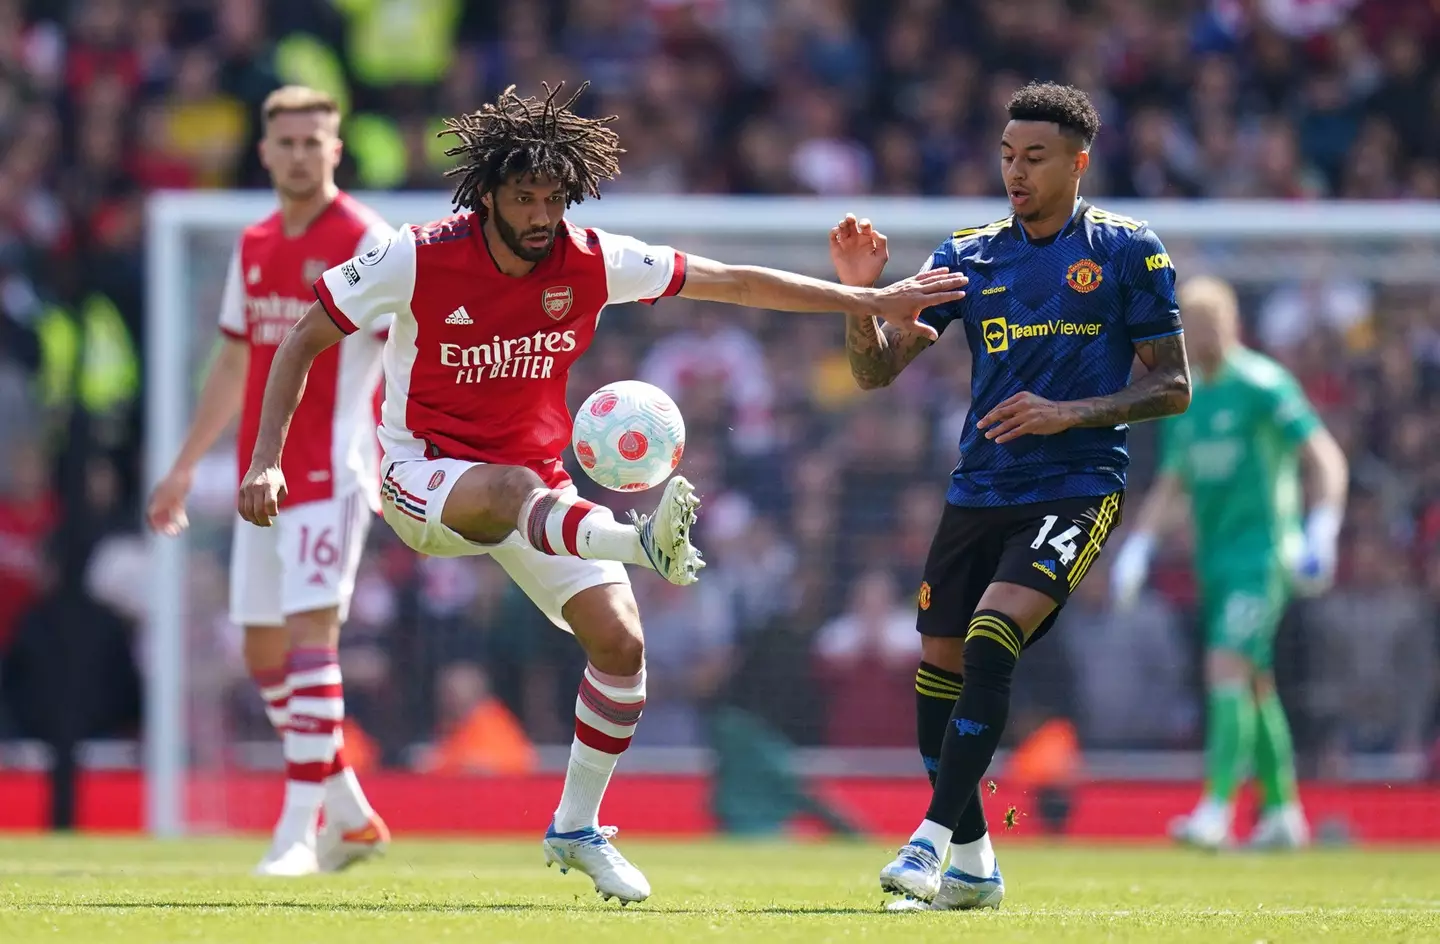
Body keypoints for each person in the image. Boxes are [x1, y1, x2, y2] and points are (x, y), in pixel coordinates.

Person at [235, 81, 964, 905]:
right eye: (524, 197)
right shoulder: (416, 254)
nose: (542, 214)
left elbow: (731, 281)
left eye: (554, 196)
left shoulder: (590, 258)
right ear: (489, 196)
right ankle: (638, 539)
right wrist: (268, 459)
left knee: (622, 648)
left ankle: (576, 827)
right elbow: (304, 337)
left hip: (538, 492)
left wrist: (863, 298)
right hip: (423, 475)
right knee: (515, 490)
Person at [829, 81, 1191, 909]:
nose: (1015, 173)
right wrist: (859, 296)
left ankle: (924, 843)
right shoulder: (968, 256)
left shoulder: (1130, 250)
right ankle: (975, 864)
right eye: (1006, 157)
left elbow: (1172, 387)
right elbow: (875, 371)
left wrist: (1067, 415)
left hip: (1077, 484)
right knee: (941, 661)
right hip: (979, 488)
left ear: (1077, 162)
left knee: (995, 631)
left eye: (1034, 158)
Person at [147, 86, 391, 877]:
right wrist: (186, 464)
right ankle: (349, 808)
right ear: (263, 150)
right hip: (265, 474)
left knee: (311, 640)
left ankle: (297, 830)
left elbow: (404, 347)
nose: (298, 154)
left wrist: (398, 449)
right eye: (285, 141)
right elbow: (234, 358)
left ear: (336, 149)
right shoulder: (253, 243)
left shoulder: (367, 239)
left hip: (331, 469)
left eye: (312, 141)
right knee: (261, 649)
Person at [1110, 275, 1348, 850]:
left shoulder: (1263, 385)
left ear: (1233, 323)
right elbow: (1173, 486)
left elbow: (1324, 456)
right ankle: (1283, 814)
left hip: (1264, 554)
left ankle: (1216, 810)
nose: (1202, 335)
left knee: (1224, 667)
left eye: (1211, 323)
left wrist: (1322, 527)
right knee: (1254, 683)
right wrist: (1138, 546)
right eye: (1191, 326)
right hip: (1214, 561)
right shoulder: (1187, 400)